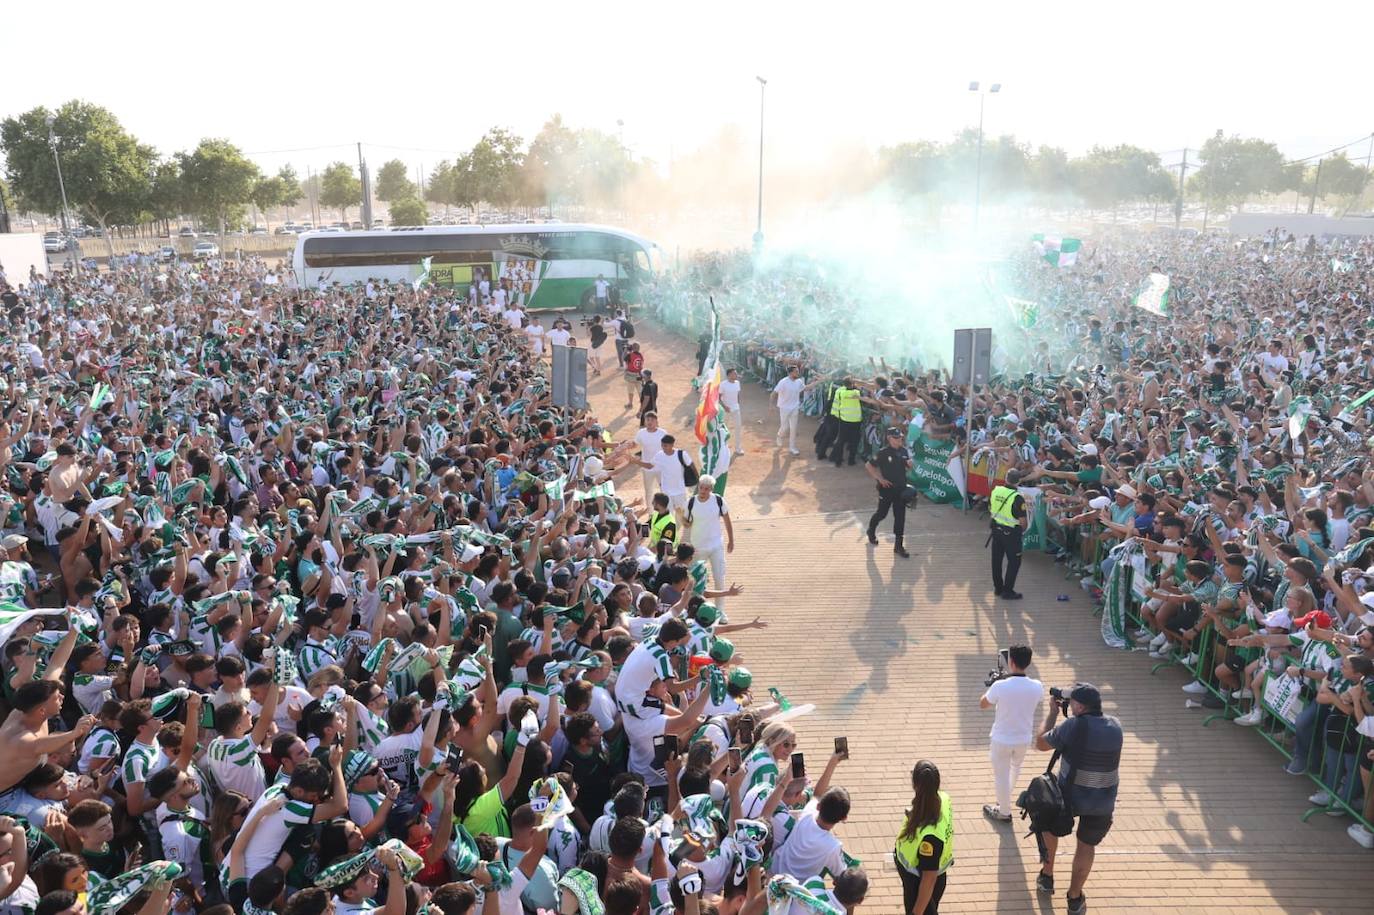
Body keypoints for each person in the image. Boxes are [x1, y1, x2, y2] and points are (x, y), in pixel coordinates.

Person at [1033, 683, 1123, 915]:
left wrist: (1053, 712)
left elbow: (1041, 743)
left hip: (1069, 796)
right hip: (1103, 800)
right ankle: (1074, 898)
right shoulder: (1116, 726)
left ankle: (1047, 875)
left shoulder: (1073, 726)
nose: (1068, 704)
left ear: (1081, 706)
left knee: (1048, 826)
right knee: (1086, 845)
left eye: (1072, 702)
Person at [979, 644, 1043, 822]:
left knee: (1001, 775)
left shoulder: (1000, 686)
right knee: (1015, 768)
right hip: (1023, 739)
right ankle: (1003, 801)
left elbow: (983, 704)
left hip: (1001, 739)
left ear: (1011, 662)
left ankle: (1004, 811)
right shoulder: (1037, 686)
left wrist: (993, 685)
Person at [892, 760, 953, 915]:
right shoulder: (943, 798)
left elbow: (929, 878)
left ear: (915, 785)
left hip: (920, 886)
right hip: (919, 881)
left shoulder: (930, 839)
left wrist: (917, 912)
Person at [684, 475, 734, 612]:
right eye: (701, 488)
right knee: (695, 580)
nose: (703, 491)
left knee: (719, 578)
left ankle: (720, 611)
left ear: (711, 489)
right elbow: (687, 523)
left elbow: (727, 520)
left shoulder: (718, 500)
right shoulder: (691, 502)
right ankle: (693, 609)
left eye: (706, 489)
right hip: (697, 548)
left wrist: (731, 540)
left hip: (716, 545)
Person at [865, 427, 913, 558]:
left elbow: (906, 467)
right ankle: (871, 530)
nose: (899, 440)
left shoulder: (904, 451)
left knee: (900, 517)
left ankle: (898, 546)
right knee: (881, 514)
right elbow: (869, 465)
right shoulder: (883, 452)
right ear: (889, 438)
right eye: (896, 438)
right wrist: (880, 479)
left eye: (900, 437)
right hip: (886, 489)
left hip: (900, 489)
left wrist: (909, 465)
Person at [988, 469, 1028, 599]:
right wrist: (1021, 531)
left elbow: (990, 507)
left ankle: (998, 589)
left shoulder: (996, 490)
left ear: (1006, 478)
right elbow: (1023, 522)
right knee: (1014, 562)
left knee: (996, 560)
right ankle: (1008, 591)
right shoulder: (1017, 498)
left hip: (996, 530)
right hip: (1011, 533)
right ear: (1018, 481)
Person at [771, 364, 811, 455]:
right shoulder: (783, 382)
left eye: (798, 371)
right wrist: (771, 405)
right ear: (790, 373)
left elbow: (806, 388)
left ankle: (792, 447)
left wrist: (819, 381)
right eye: (796, 371)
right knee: (785, 427)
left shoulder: (799, 381)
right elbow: (773, 393)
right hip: (784, 408)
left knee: (793, 428)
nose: (798, 373)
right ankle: (779, 435)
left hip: (795, 407)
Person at [824, 378, 863, 467]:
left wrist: (837, 415)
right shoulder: (856, 392)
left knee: (841, 440)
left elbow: (836, 404)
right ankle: (851, 460)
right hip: (856, 420)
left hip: (844, 419)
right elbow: (859, 393)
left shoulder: (840, 392)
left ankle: (838, 460)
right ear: (852, 384)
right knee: (854, 440)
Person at [719, 367, 745, 456]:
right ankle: (722, 447)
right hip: (726, 410)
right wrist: (724, 406)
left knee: (738, 428)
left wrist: (737, 404)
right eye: (734, 373)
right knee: (723, 429)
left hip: (736, 409)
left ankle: (738, 449)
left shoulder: (737, 383)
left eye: (736, 373)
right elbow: (718, 397)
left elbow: (737, 395)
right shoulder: (723, 384)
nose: (736, 375)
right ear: (729, 375)